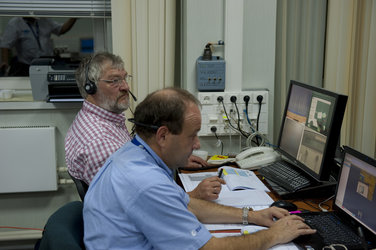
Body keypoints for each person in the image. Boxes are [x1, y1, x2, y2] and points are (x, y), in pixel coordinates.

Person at [83, 87, 316, 249]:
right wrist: (273, 235)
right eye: (192, 136)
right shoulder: (145, 182)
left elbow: (185, 204)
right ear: (163, 135)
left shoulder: (134, 153)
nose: (197, 145)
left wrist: (252, 216)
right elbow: (209, 248)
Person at [65, 52, 224, 201]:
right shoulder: (100, 142)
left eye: (125, 78)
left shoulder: (105, 119)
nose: (125, 87)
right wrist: (193, 195)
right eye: (114, 81)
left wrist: (172, 157)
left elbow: (135, 162)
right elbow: (134, 201)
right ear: (90, 88)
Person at [0, 17, 77, 76]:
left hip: (47, 64)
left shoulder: (44, 20)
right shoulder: (15, 23)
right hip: (27, 66)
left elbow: (61, 29)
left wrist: (74, 17)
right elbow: (5, 45)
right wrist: (5, 62)